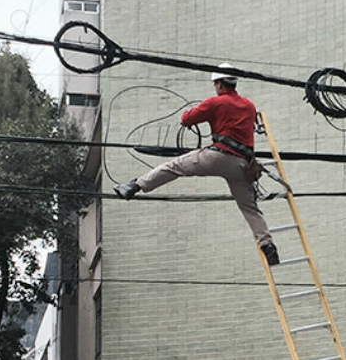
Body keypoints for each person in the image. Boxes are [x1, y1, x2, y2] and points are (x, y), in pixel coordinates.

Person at [114, 66, 279, 266]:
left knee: (173, 166)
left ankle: (135, 186)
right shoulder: (249, 106)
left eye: (215, 84)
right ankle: (267, 245)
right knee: (250, 208)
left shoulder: (214, 102)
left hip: (217, 156)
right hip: (242, 164)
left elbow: (186, 119)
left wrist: (197, 111)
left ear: (219, 84)